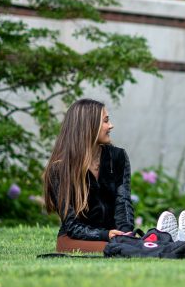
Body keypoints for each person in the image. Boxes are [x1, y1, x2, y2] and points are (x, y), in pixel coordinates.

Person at [43, 98, 135, 253]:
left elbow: (123, 203)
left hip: (113, 237)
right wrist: (106, 235)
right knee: (121, 250)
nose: (111, 126)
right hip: (75, 239)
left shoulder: (118, 156)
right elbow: (71, 225)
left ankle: (173, 241)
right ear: (89, 126)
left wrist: (125, 233)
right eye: (105, 121)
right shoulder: (60, 168)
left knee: (133, 245)